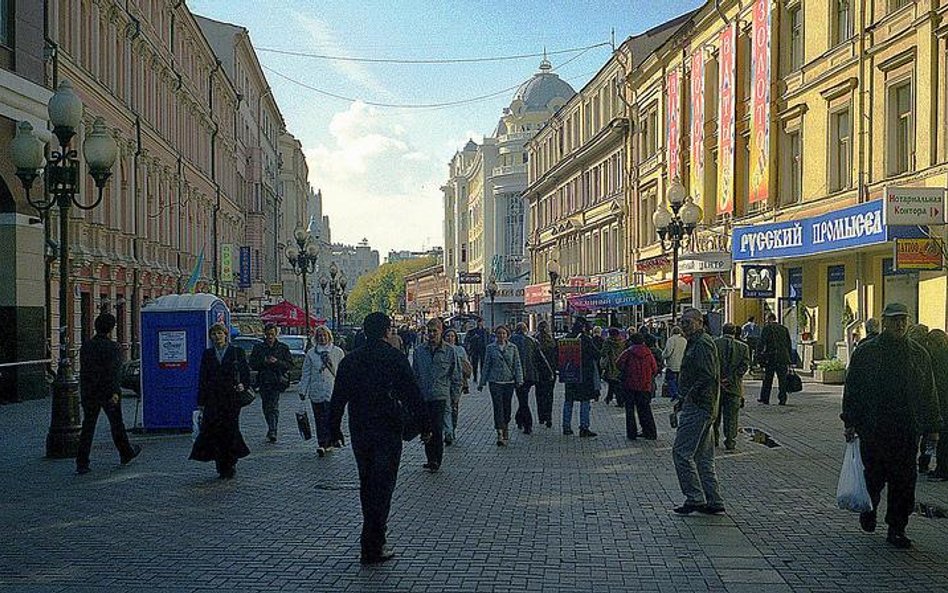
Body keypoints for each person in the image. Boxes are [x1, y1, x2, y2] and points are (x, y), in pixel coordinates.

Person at [330, 312, 427, 565]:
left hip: (360, 430)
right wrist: (426, 426)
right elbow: (412, 394)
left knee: (367, 483)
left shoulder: (351, 361)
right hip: (388, 429)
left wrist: (333, 429)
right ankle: (374, 543)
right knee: (383, 486)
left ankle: (369, 540)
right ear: (386, 332)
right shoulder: (394, 358)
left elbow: (338, 397)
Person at [842, 303, 941, 549]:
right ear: (884, 322)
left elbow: (929, 392)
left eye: (903, 320)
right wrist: (850, 421)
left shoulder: (918, 354)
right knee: (873, 477)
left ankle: (897, 527)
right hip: (874, 428)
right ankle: (869, 509)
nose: (899, 324)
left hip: (907, 429)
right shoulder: (867, 352)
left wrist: (933, 426)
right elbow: (852, 388)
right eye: (895, 320)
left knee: (904, 481)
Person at [672, 307, 724, 515]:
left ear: (699, 323)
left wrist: (688, 396)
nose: (684, 326)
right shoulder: (696, 342)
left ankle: (694, 497)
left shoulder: (702, 344)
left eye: (688, 322)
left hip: (700, 405)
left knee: (681, 453)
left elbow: (707, 375)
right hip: (703, 404)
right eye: (683, 322)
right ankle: (713, 499)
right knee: (702, 457)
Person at [75, 313, 142, 475]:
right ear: (111, 328)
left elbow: (84, 371)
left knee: (88, 427)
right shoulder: (114, 348)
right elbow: (114, 373)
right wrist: (114, 392)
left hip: (89, 392)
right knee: (117, 425)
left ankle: (82, 462)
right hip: (108, 393)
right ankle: (126, 453)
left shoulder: (86, 346)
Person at [189, 322, 252, 479]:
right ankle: (220, 464)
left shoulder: (236, 352)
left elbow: (245, 374)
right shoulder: (208, 354)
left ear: (226, 335)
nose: (217, 337)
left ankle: (231, 461)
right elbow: (203, 378)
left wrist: (243, 385)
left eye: (220, 333)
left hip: (231, 398)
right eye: (214, 334)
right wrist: (201, 401)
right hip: (213, 398)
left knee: (230, 430)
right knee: (215, 431)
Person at [412, 318, 461, 471]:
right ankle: (430, 457)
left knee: (437, 427)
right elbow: (415, 374)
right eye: (430, 331)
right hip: (423, 395)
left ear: (441, 331)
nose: (432, 334)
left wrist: (455, 397)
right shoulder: (419, 351)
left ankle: (436, 460)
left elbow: (456, 376)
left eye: (435, 331)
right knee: (426, 428)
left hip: (440, 395)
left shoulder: (449, 351)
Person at [299, 325, 345, 457]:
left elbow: (342, 373)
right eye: (319, 336)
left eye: (324, 335)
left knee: (330, 417)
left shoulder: (337, 352)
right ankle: (322, 443)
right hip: (317, 390)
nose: (322, 338)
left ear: (329, 336)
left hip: (332, 390)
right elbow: (306, 373)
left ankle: (330, 440)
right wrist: (303, 389)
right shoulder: (311, 353)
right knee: (319, 418)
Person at [478, 325, 523, 446]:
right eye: (499, 333)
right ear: (495, 335)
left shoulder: (513, 348)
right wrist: (481, 382)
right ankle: (499, 432)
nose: (501, 336)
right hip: (495, 382)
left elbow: (517, 364)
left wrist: (519, 379)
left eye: (503, 333)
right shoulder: (490, 348)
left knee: (507, 407)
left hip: (509, 382)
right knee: (498, 407)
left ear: (507, 335)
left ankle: (506, 426)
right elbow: (486, 365)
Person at [249, 323, 293, 442]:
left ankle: (273, 430)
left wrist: (277, 362)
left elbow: (289, 365)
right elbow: (252, 364)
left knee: (273, 406)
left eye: (272, 334)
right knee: (266, 406)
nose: (269, 337)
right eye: (268, 334)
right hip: (263, 380)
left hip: (277, 381)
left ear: (276, 334)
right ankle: (271, 427)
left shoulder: (282, 347)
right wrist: (264, 362)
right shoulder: (259, 348)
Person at [714, 323, 750, 451]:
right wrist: (731, 378)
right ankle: (730, 441)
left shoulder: (714, 344)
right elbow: (744, 366)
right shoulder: (743, 347)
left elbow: (711, 364)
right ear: (735, 332)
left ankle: (714, 439)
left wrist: (720, 378)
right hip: (734, 387)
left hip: (716, 387)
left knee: (715, 415)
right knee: (732, 416)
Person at [563, 318, 600, 438]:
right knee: (585, 401)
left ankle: (566, 426)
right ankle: (584, 427)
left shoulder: (567, 337)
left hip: (570, 374)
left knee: (569, 401)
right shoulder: (585, 339)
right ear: (583, 327)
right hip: (585, 376)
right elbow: (596, 354)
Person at [616, 333, 658, 441]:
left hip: (629, 385)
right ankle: (650, 432)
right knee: (645, 409)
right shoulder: (648, 353)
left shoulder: (628, 352)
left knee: (630, 410)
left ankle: (631, 433)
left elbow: (618, 363)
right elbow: (654, 368)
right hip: (645, 385)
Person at [510, 322, 547, 435]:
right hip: (531, 376)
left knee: (523, 400)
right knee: (523, 398)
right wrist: (548, 372)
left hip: (518, 375)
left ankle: (527, 424)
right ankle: (520, 419)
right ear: (526, 330)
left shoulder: (512, 340)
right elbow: (541, 358)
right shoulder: (532, 341)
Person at [925, 329, 948, 482]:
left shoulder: (937, 358)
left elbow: (937, 384)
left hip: (942, 404)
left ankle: (942, 470)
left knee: (943, 439)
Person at [442, 328, 472, 444]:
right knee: (446, 407)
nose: (450, 338)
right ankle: (448, 432)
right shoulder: (442, 349)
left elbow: (466, 367)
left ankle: (452, 428)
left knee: (454, 406)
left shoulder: (460, 350)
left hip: (457, 382)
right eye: (448, 336)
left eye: (452, 336)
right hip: (444, 382)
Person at [756, 313, 792, 405]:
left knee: (768, 379)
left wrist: (758, 355)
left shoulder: (767, 329)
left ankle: (765, 398)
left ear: (769, 319)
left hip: (771, 357)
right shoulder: (784, 329)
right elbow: (788, 344)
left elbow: (761, 343)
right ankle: (782, 399)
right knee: (782, 380)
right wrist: (789, 358)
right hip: (783, 358)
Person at [534, 321, 558, 428]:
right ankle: (549, 418)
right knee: (549, 395)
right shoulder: (552, 342)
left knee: (539, 395)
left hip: (539, 372)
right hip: (550, 372)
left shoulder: (535, 341)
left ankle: (541, 417)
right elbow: (556, 357)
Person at [599, 327, 625, 406]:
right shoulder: (622, 341)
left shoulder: (608, 342)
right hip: (620, 364)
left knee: (613, 381)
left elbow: (603, 352)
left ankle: (618, 400)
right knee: (616, 381)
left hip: (611, 364)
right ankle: (609, 397)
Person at [663, 326, 687, 400]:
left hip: (672, 363)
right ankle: (679, 393)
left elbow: (668, 352)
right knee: (678, 380)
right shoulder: (684, 340)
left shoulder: (671, 340)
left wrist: (663, 356)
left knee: (670, 379)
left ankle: (675, 393)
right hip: (681, 363)